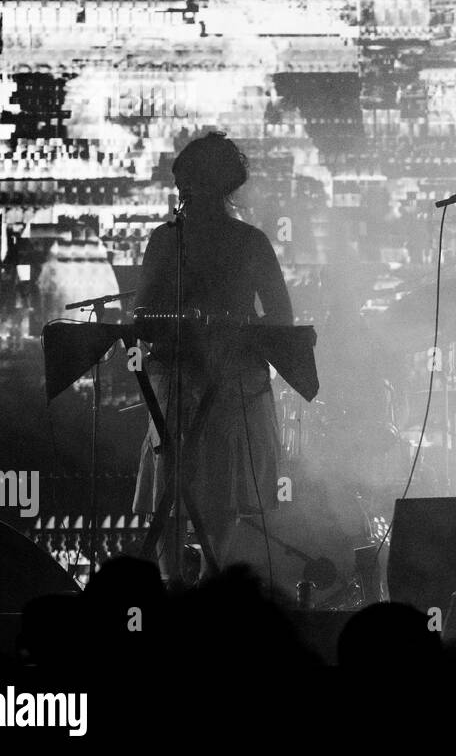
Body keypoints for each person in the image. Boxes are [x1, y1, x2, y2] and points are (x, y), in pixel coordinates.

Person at [133, 131, 293, 584]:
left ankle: (202, 584)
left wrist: (230, 332)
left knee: (215, 483)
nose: (184, 195)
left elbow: (281, 316)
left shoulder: (249, 242)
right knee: (177, 480)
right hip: (181, 373)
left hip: (229, 377)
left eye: (191, 184)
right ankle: (177, 585)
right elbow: (143, 314)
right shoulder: (168, 241)